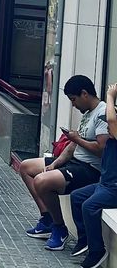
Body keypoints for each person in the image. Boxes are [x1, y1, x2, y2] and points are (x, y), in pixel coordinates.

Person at [21, 75, 109, 251]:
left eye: (73, 100)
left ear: (85, 94)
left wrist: (77, 139)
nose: (73, 105)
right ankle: (47, 218)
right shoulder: (87, 114)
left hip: (89, 169)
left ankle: (59, 228)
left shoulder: (102, 113)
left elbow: (102, 149)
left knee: (41, 181)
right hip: (74, 161)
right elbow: (72, 145)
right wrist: (55, 164)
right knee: (26, 167)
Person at [69, 82, 117, 268]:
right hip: (106, 183)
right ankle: (86, 241)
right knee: (77, 196)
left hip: (114, 187)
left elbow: (112, 122)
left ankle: (97, 251)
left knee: (89, 206)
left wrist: (111, 96)